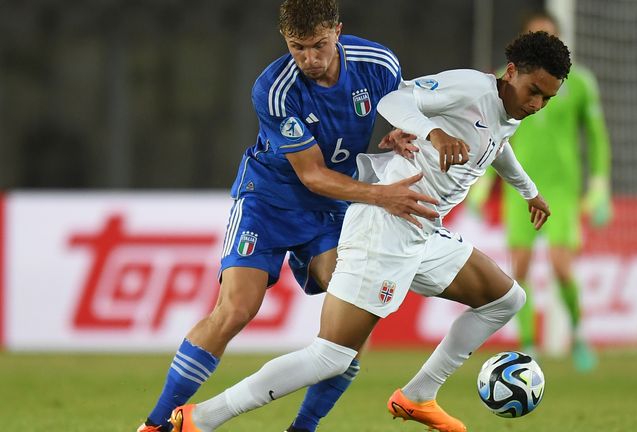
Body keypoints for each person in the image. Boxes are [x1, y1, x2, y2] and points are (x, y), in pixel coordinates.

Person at [168, 30, 571, 432]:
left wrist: (529, 192)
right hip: (384, 224)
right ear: (512, 71)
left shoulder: (508, 112)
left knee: (505, 299)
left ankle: (418, 396)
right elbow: (395, 100)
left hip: (422, 229)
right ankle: (201, 419)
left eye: (546, 98)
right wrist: (432, 132)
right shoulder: (471, 86)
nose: (536, 104)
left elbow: (496, 144)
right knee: (331, 356)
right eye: (533, 91)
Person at [136, 1, 440, 431]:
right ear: (285, 40)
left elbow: (399, 111)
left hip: (332, 207)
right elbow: (312, 174)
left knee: (354, 319)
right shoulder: (274, 89)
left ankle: (302, 428)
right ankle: (153, 426)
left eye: (319, 45)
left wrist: (394, 131)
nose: (310, 59)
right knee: (236, 310)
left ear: (338, 30)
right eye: (298, 48)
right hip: (268, 200)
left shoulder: (379, 63)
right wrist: (380, 195)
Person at [468, 11, 611, 372]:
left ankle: (578, 335)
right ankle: (529, 346)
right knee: (521, 271)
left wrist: (599, 186)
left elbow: (596, 139)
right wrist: (482, 185)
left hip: (562, 190)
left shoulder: (578, 84)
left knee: (562, 267)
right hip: (520, 189)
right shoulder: (506, 82)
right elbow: (492, 135)